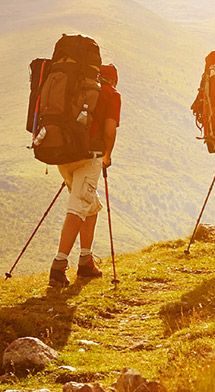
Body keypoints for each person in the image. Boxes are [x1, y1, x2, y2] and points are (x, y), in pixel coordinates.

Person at [49, 64, 122, 287]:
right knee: (79, 207)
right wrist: (107, 156)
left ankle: (85, 260)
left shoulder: (77, 88)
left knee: (91, 205)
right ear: (114, 79)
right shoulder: (112, 94)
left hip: (63, 154)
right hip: (89, 155)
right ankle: (58, 266)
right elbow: (110, 130)